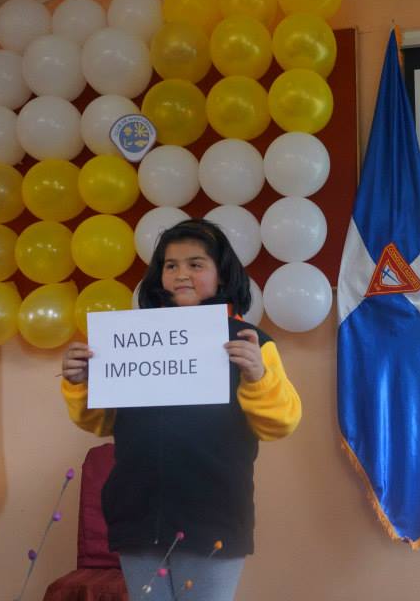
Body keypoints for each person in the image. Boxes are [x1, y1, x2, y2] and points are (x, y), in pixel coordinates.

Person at [59, 218, 301, 601]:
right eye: (171, 265)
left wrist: (257, 376)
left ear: (222, 275)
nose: (181, 274)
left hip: (213, 512)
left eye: (196, 264)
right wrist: (80, 382)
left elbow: (281, 423)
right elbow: (102, 422)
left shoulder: (250, 342)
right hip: (137, 511)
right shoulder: (132, 339)